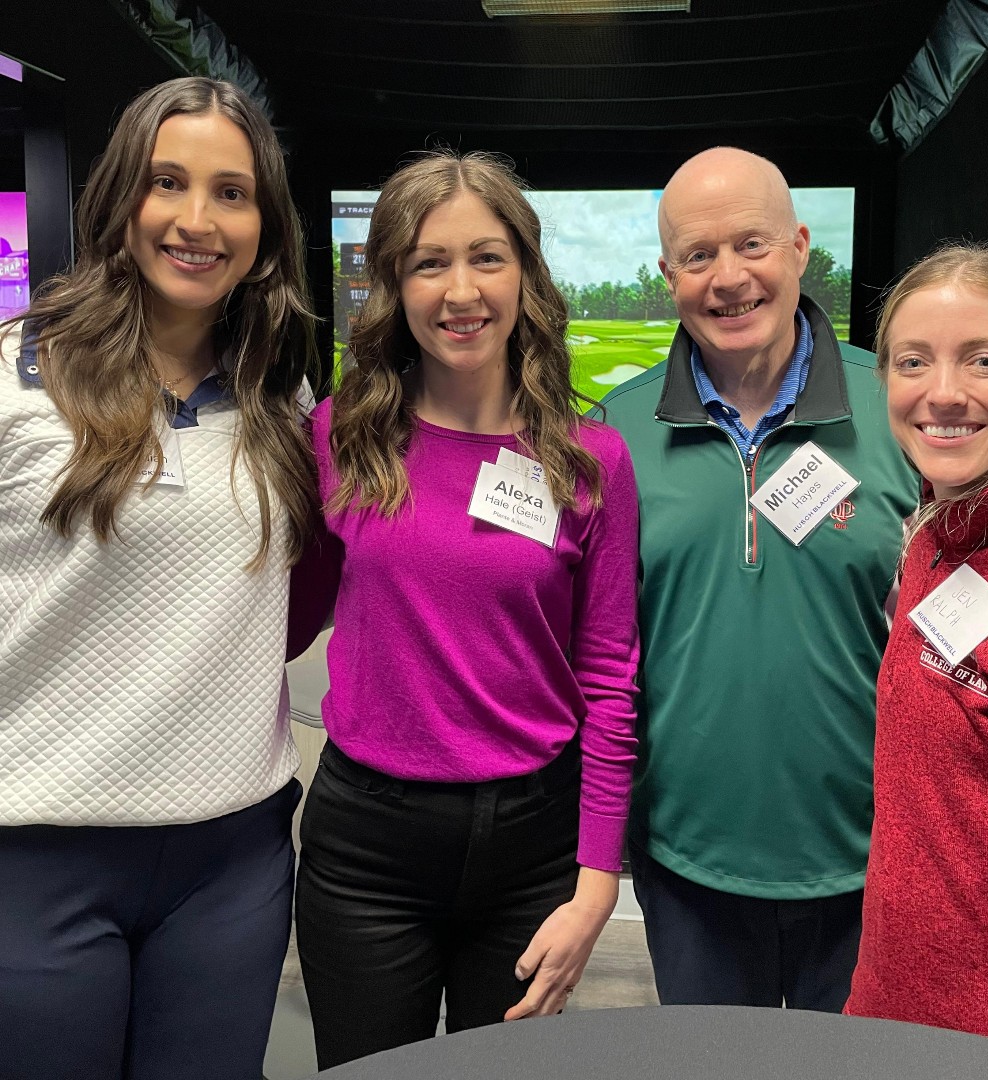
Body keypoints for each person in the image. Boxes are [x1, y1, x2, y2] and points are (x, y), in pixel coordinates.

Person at [0, 77, 324, 1080]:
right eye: (166, 183)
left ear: (265, 226)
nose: (197, 220)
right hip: (36, 851)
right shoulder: (15, 375)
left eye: (231, 192)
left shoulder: (285, 396)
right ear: (118, 203)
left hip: (231, 861)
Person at [294, 150, 639, 1067]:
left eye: (487, 257)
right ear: (393, 285)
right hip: (368, 848)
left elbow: (608, 681)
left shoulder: (590, 459)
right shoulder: (341, 434)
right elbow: (282, 618)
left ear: (525, 273)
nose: (461, 290)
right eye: (427, 262)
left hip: (532, 849)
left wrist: (597, 882)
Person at [599, 147, 919, 1011]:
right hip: (688, 865)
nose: (728, 277)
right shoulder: (614, 430)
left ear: (800, 247)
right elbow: (602, 659)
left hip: (873, 864)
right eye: (698, 256)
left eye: (752, 244)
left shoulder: (895, 406)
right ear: (668, 274)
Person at [845, 244, 988, 1054]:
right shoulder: (936, 542)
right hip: (894, 1009)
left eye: (983, 361)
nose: (943, 393)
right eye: (914, 361)